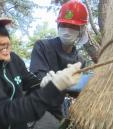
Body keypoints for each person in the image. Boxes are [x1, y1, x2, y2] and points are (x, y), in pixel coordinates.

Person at [0, 12, 82, 129]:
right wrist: (54, 87)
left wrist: (46, 83)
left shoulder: (14, 60)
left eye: (4, 34)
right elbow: (6, 112)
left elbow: (32, 84)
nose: (5, 41)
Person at [29, 0, 93, 128]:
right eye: (64, 24)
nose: (67, 30)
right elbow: (38, 77)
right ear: (58, 25)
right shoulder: (43, 46)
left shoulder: (80, 60)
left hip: (58, 111)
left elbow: (76, 93)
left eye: (73, 26)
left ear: (82, 30)